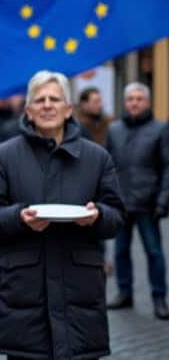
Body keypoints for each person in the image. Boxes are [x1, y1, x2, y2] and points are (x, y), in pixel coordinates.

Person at [0, 70, 125, 360]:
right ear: (28, 110)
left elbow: (117, 215)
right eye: (39, 100)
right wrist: (19, 218)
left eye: (54, 99)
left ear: (68, 109)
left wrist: (98, 216)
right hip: (23, 296)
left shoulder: (97, 157)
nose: (47, 105)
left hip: (80, 293)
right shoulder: (3, 156)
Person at [105, 82, 169, 319]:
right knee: (120, 251)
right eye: (130, 98)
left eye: (139, 98)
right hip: (120, 203)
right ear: (125, 102)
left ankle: (160, 298)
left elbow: (167, 168)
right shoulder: (114, 130)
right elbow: (107, 167)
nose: (134, 102)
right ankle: (124, 292)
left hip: (148, 203)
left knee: (154, 253)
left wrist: (163, 201)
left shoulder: (160, 129)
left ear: (148, 101)